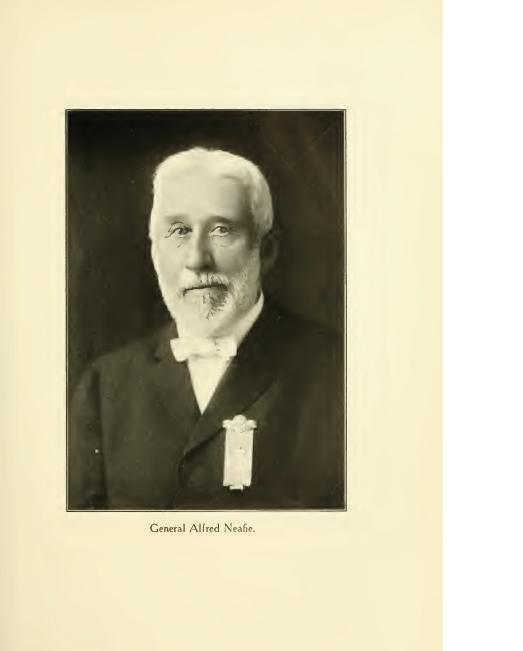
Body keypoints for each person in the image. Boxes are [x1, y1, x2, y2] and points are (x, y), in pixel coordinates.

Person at [68, 147, 345, 510]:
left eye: (221, 230)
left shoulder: (339, 371)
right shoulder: (103, 387)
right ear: (155, 253)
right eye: (179, 231)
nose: (197, 259)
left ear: (265, 251)